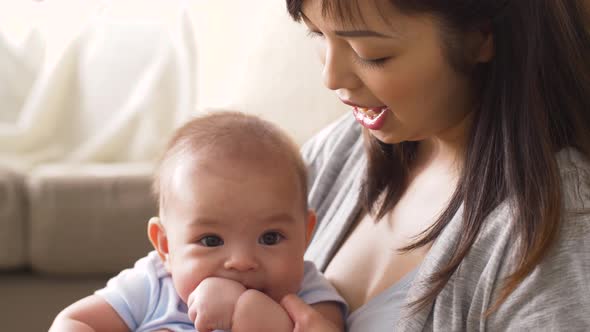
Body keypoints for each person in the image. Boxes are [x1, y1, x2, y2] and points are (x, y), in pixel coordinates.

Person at [278, 0, 590, 331]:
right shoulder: (340, 149)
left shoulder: (557, 235)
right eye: (317, 34)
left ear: (480, 36)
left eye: (371, 53)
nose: (331, 77)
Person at [49, 112, 347, 332]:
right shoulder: (152, 284)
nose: (242, 262)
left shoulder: (312, 297)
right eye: (211, 240)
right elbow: (73, 321)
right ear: (165, 246)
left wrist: (245, 309)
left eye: (270, 237)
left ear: (306, 234)